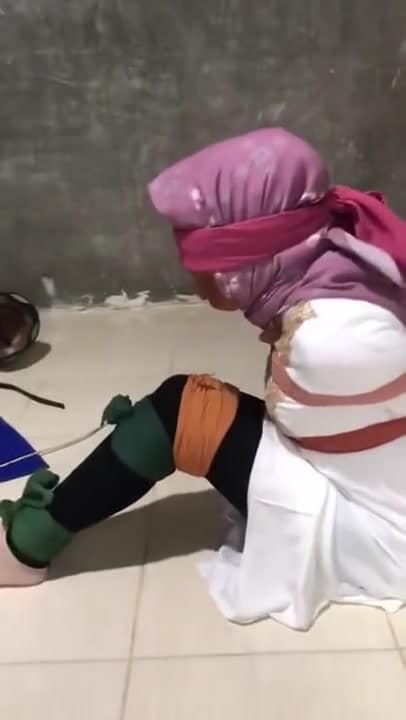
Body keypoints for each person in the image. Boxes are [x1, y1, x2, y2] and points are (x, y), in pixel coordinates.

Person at [2, 127, 406, 630]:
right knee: (187, 409)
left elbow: (296, 434)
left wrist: (160, 432)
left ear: (248, 256)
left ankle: (23, 549)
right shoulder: (342, 266)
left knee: (184, 414)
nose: (192, 277)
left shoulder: (331, 337)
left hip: (375, 530)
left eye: (203, 260)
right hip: (370, 476)